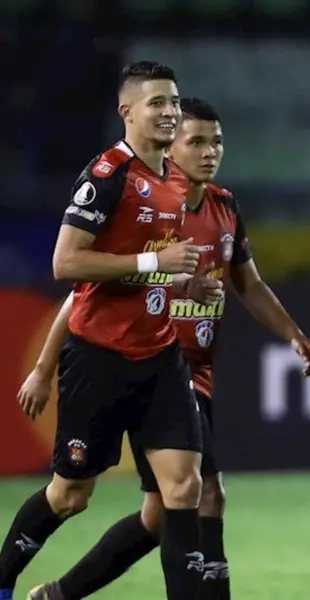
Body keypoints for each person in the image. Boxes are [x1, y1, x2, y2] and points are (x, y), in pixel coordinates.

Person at [16, 98, 310, 600]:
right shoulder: (151, 206)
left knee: (160, 516)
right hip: (154, 367)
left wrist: (292, 333)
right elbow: (82, 293)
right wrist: (45, 366)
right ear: (170, 147)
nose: (209, 152)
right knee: (195, 495)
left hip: (193, 372)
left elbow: (248, 282)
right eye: (196, 141)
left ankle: (59, 594)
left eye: (216, 141)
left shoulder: (224, 206)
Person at [0, 61, 217, 600]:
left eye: (173, 103)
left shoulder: (174, 179)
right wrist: (47, 368)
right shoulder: (106, 176)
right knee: (70, 495)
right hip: (99, 359)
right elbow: (67, 266)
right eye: (157, 104)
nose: (169, 112)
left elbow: (152, 266)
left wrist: (182, 286)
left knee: (183, 490)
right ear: (128, 112)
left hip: (161, 358)